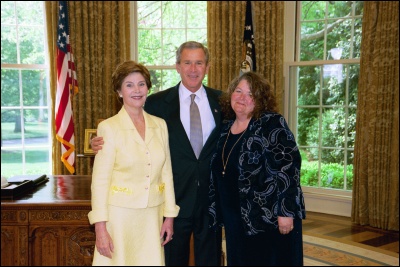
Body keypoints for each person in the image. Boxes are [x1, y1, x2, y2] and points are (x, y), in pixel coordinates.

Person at [91, 41, 223, 266]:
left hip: (209, 199)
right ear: (177, 66)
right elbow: (127, 129)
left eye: (199, 63)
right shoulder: (156, 103)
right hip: (167, 202)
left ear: (207, 67)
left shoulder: (223, 101)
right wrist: (97, 143)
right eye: (187, 62)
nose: (193, 69)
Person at [88, 60, 180, 266]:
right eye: (129, 85)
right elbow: (100, 182)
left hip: (152, 217)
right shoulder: (108, 128)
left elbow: (167, 173)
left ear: (148, 88)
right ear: (119, 91)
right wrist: (100, 228)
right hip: (119, 218)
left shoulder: (160, 125)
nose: (136, 90)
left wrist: (169, 216)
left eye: (141, 84)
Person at [209, 71, 306, 266]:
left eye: (251, 94)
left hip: (267, 218)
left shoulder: (271, 123)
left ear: (260, 100)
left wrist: (286, 211)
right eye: (238, 91)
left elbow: (289, 168)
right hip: (234, 216)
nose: (242, 98)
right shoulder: (225, 127)